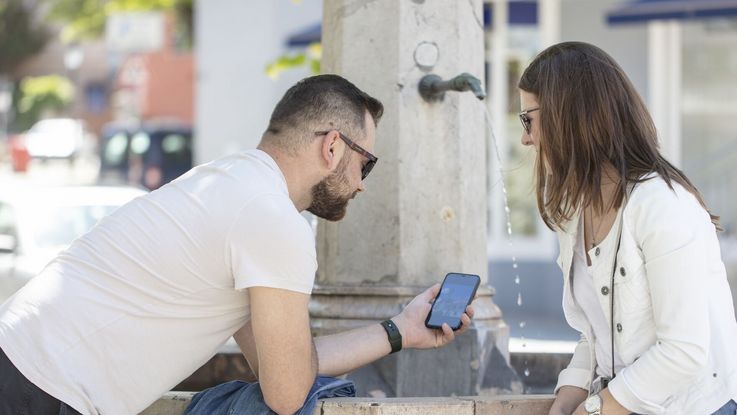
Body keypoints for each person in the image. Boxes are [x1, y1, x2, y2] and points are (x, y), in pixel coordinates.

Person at [0, 74, 475, 415]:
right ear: (333, 147)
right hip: (38, 391)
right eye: (365, 164)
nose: (362, 184)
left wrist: (400, 330)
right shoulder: (273, 221)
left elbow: (280, 367)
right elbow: (288, 396)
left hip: (23, 367)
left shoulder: (226, 183)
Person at [516, 41, 737, 415]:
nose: (525, 137)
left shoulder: (663, 206)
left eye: (528, 119)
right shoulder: (574, 212)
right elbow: (597, 332)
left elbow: (683, 352)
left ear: (568, 115)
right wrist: (565, 400)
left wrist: (594, 410)